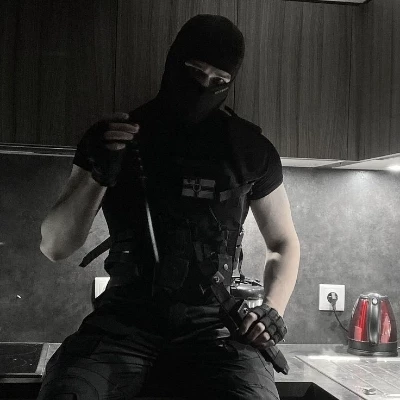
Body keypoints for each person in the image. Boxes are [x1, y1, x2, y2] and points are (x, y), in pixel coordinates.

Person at [38, 14, 300, 400]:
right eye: (194, 71)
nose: (203, 87)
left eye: (219, 81)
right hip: (122, 327)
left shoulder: (250, 150)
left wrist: (272, 309)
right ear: (173, 63)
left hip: (216, 333)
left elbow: (283, 242)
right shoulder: (116, 137)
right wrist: (98, 173)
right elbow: (55, 246)